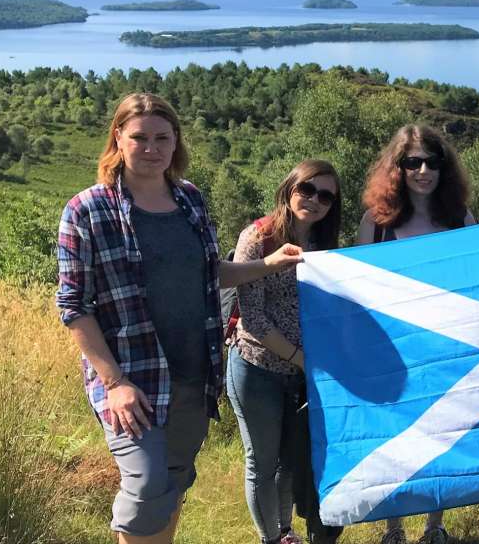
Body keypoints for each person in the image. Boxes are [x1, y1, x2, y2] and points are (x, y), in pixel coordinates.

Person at [55, 92, 303, 544]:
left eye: (162, 138)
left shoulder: (189, 199)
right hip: (132, 376)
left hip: (193, 371)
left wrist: (269, 265)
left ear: (176, 142)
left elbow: (211, 273)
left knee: (173, 481)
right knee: (146, 482)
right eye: (140, 137)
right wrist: (114, 384)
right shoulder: (86, 210)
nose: (151, 148)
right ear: (118, 138)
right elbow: (74, 306)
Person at [357, 123, 475, 544]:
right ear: (398, 168)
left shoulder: (460, 219)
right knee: (396, 437)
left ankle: (434, 525)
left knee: (439, 436)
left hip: (444, 345)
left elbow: (474, 278)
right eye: (412, 162)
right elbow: (359, 287)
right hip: (394, 348)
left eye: (432, 162)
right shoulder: (377, 222)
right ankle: (393, 528)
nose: (423, 170)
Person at [228, 160, 343, 544]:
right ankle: (273, 538)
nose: (315, 200)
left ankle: (285, 530)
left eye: (325, 195)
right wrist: (302, 359)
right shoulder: (258, 237)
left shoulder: (326, 245)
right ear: (289, 189)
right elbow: (254, 319)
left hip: (301, 374)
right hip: (255, 367)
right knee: (260, 462)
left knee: (290, 464)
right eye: (307, 190)